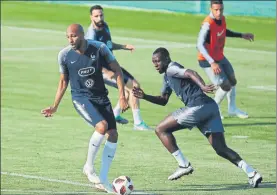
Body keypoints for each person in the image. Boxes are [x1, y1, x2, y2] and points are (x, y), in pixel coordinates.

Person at [132, 47, 262, 188]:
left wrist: (203, 86)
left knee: (160, 129)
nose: (155, 64)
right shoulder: (167, 77)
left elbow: (190, 73)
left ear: (167, 59)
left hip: (197, 107)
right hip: (210, 107)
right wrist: (145, 96)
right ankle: (252, 173)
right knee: (220, 148)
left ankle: (183, 165)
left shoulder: (171, 68)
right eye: (153, 62)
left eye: (157, 61)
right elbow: (163, 100)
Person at [41, 24, 129, 193]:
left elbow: (117, 70)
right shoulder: (65, 55)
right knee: (102, 127)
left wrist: (122, 97)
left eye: (73, 36)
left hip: (101, 97)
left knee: (113, 135)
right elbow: (63, 82)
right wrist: (54, 106)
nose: (70, 40)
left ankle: (103, 178)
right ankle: (89, 168)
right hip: (81, 98)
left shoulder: (99, 48)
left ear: (82, 35)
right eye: (68, 37)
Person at [85, 5, 151, 130]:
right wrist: (105, 71)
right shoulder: (91, 35)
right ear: (91, 17)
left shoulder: (105, 26)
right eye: (96, 16)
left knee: (129, 89)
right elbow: (90, 58)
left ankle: (115, 115)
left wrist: (124, 46)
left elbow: (108, 45)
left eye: (101, 15)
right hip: (102, 71)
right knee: (134, 87)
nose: (100, 18)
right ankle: (138, 123)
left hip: (112, 66)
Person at [197, 0, 254, 119]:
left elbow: (222, 32)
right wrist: (212, 62)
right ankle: (212, 110)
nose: (219, 12)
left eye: (221, 9)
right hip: (207, 60)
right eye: (216, 10)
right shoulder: (207, 24)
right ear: (211, 9)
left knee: (233, 80)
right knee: (225, 85)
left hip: (219, 56)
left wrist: (241, 35)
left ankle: (232, 108)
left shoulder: (222, 19)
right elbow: (200, 45)